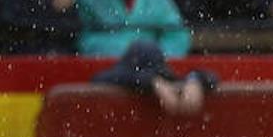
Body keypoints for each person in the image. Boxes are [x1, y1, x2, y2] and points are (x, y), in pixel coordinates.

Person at [72, 0, 191, 57]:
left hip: (150, 74)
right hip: (99, 71)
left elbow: (177, 34)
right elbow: (81, 38)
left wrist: (157, 60)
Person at [90, 38, 218, 115]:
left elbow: (212, 76)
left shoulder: (164, 76)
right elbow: (100, 79)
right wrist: (152, 81)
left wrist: (194, 80)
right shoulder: (120, 76)